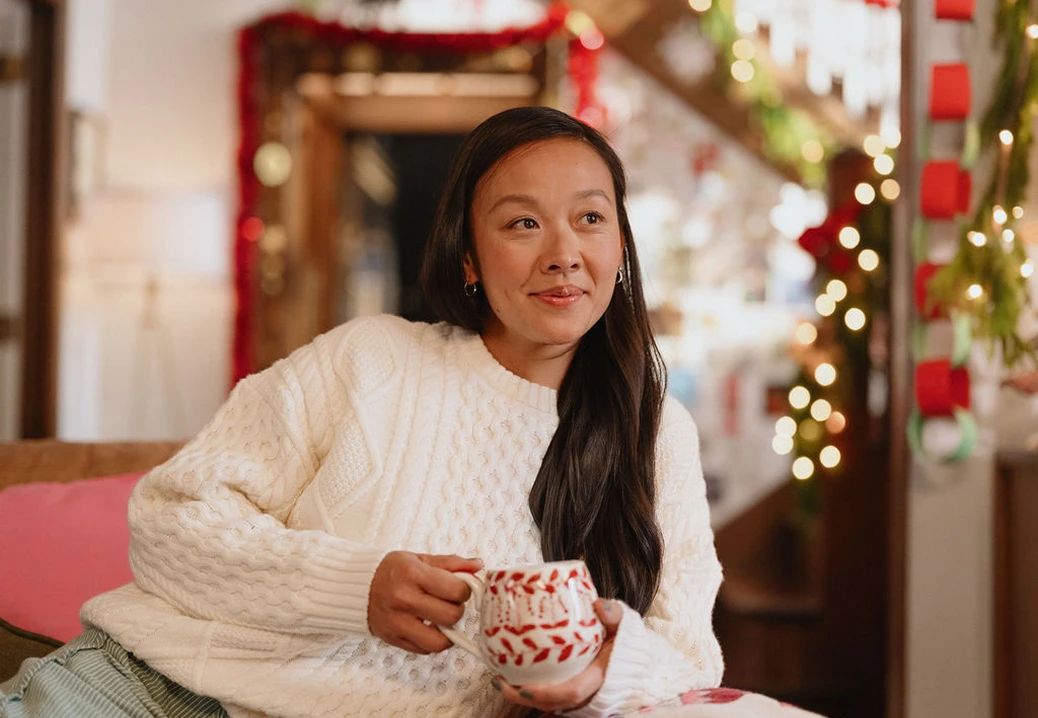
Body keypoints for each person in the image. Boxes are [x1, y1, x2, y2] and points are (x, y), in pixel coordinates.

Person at [0, 106, 723, 717]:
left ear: (620, 244)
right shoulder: (372, 361)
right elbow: (167, 521)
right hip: (159, 695)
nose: (565, 254)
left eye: (590, 218)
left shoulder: (653, 431)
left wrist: (601, 678)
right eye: (522, 224)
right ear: (468, 258)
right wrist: (355, 589)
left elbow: (691, 656)